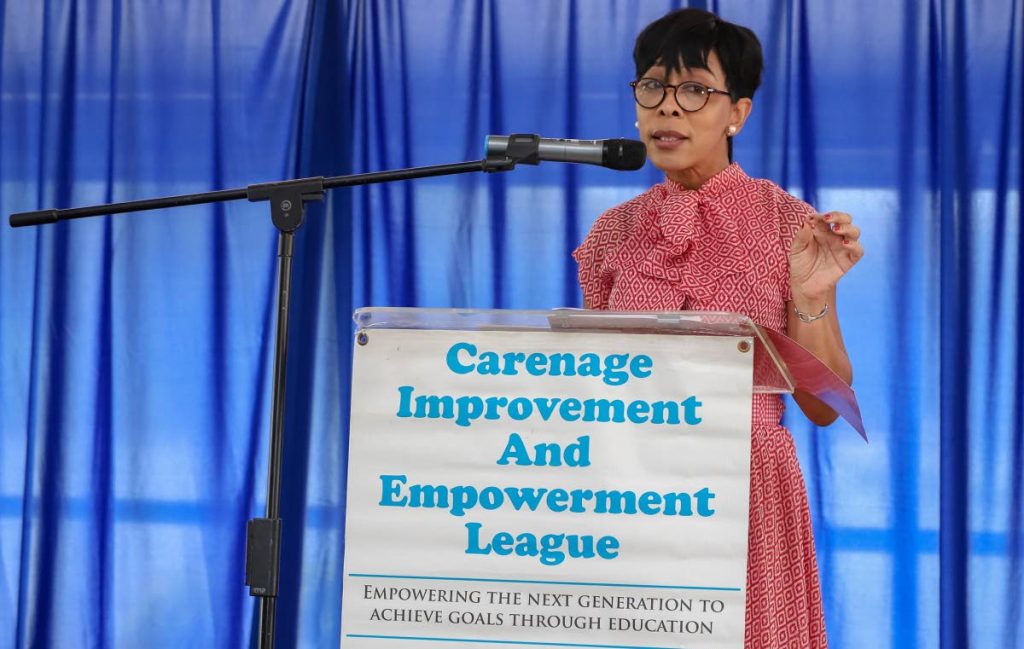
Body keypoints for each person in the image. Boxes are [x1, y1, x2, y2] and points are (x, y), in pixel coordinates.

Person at [574, 8, 863, 648]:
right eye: (652, 87)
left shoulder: (790, 222)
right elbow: (588, 384)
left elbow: (821, 407)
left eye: (695, 90)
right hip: (630, 488)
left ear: (738, 113)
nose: (668, 109)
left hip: (746, 485)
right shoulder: (611, 236)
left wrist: (812, 295)